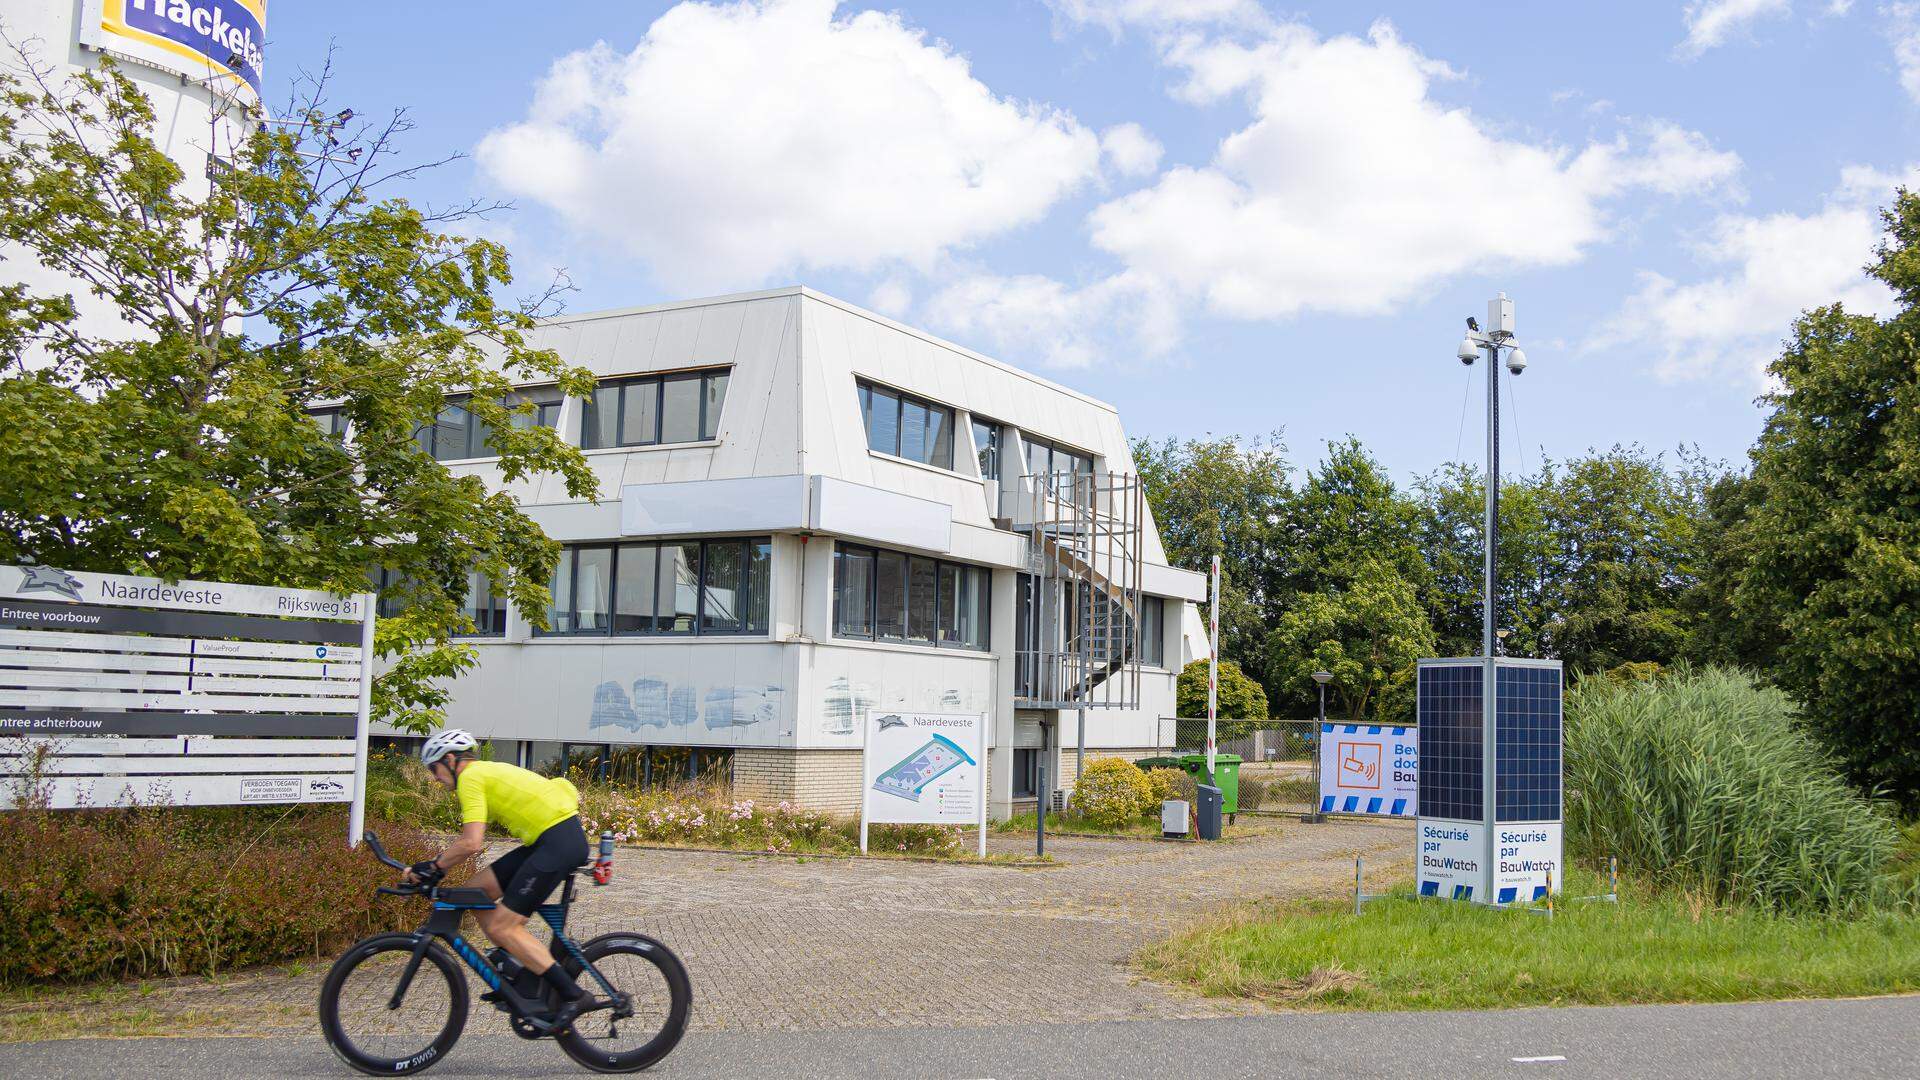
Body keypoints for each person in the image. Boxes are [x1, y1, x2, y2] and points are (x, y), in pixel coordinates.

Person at [402, 729, 594, 1031]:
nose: (434, 778)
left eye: (434, 769)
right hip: (547, 840)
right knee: (474, 893)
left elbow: (471, 842)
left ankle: (574, 995)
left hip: (558, 842)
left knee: (505, 925)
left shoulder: (471, 778)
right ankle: (520, 972)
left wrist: (434, 866)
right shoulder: (480, 774)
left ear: (450, 760)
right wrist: (438, 868)